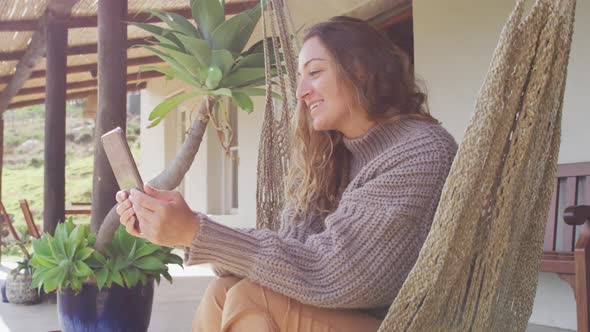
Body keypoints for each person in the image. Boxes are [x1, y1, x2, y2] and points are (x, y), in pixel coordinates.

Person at [116, 16, 458, 332]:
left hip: (406, 322)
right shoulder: (331, 157)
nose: (301, 92)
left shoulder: (420, 151)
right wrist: (181, 234)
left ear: (360, 70)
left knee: (252, 297)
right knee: (223, 291)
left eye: (315, 72)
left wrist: (196, 231)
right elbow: (289, 261)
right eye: (299, 77)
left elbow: (336, 272)